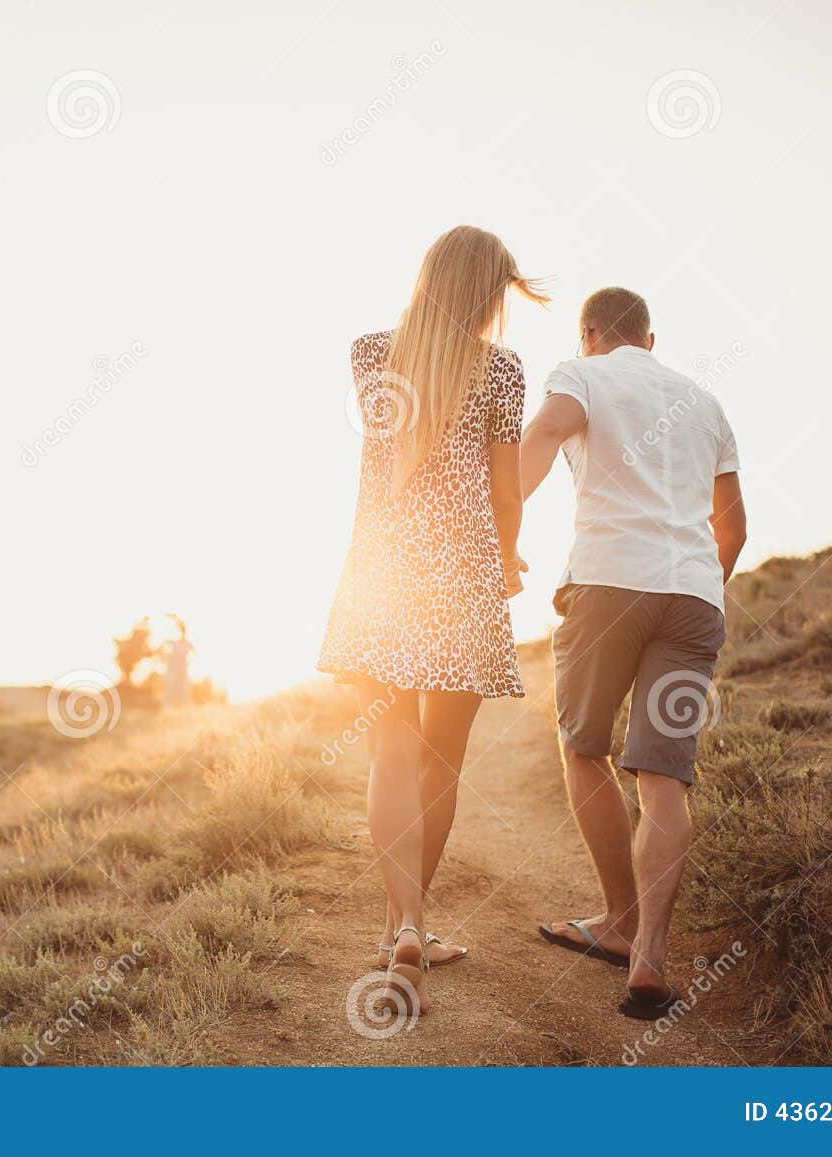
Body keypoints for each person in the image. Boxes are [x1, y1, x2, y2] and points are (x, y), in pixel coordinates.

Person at [318, 225, 545, 1015]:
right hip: (462, 581)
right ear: (489, 292)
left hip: (380, 574)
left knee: (389, 749)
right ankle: (409, 924)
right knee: (439, 763)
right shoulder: (504, 371)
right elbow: (506, 494)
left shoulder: (368, 352)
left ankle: (401, 926)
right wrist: (509, 558)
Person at [519, 287, 747, 1020]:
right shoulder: (704, 402)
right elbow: (734, 528)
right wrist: (695, 585)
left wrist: (502, 529)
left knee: (581, 745)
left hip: (608, 581)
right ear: (650, 338)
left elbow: (543, 435)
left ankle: (618, 920)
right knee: (663, 778)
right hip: (693, 596)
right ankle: (649, 956)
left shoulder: (581, 373)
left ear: (590, 334)